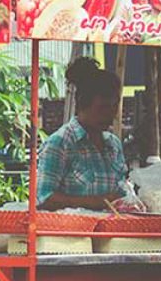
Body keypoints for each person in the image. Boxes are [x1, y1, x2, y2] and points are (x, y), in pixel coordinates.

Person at [36, 57, 127, 211]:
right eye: (103, 107)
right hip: (72, 227)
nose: (111, 114)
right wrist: (97, 202)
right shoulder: (59, 143)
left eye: (114, 106)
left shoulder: (114, 144)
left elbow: (122, 191)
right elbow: (43, 198)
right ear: (82, 103)